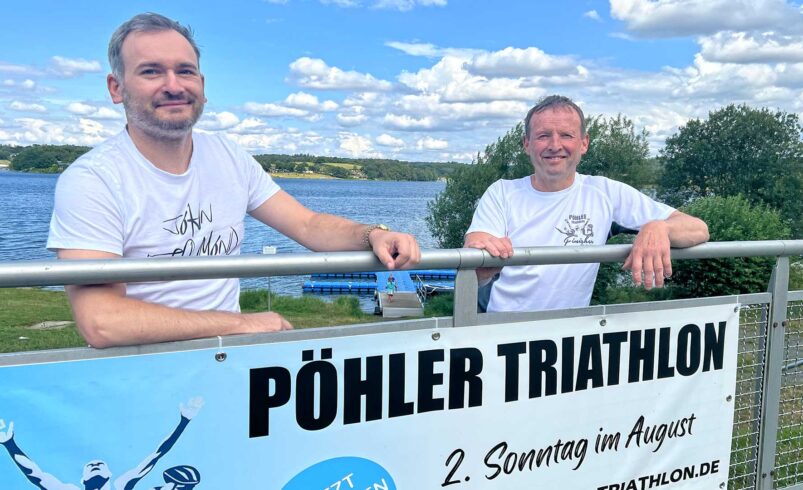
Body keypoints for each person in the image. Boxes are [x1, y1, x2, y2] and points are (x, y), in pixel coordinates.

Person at [46, 13, 420, 348]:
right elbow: (102, 322)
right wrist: (240, 324)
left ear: (202, 85)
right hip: (144, 371)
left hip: (227, 363)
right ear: (116, 88)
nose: (173, 85)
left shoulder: (227, 155)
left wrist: (373, 234)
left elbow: (308, 225)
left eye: (185, 70)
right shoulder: (93, 180)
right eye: (151, 71)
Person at [465, 95, 709, 313]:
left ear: (584, 143)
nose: (554, 145)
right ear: (526, 144)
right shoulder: (502, 192)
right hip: (500, 336)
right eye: (542, 136)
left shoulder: (604, 191)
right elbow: (475, 259)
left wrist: (660, 228)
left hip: (571, 340)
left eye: (566, 135)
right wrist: (482, 265)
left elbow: (698, 229)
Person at [0, 398, 203, 490]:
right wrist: (9, 444)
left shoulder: (123, 485)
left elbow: (156, 456)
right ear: (82, 478)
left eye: (99, 465)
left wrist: (184, 421)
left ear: (109, 474)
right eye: (91, 466)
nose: (95, 464)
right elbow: (36, 475)